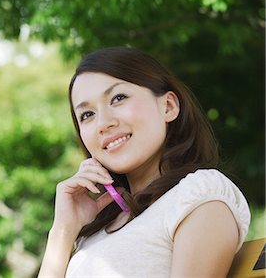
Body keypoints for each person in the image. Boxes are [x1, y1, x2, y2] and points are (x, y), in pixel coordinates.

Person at [38, 47, 250, 277]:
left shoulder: (198, 194)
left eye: (118, 98)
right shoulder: (96, 231)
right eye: (87, 115)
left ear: (168, 106)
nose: (103, 123)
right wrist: (63, 231)